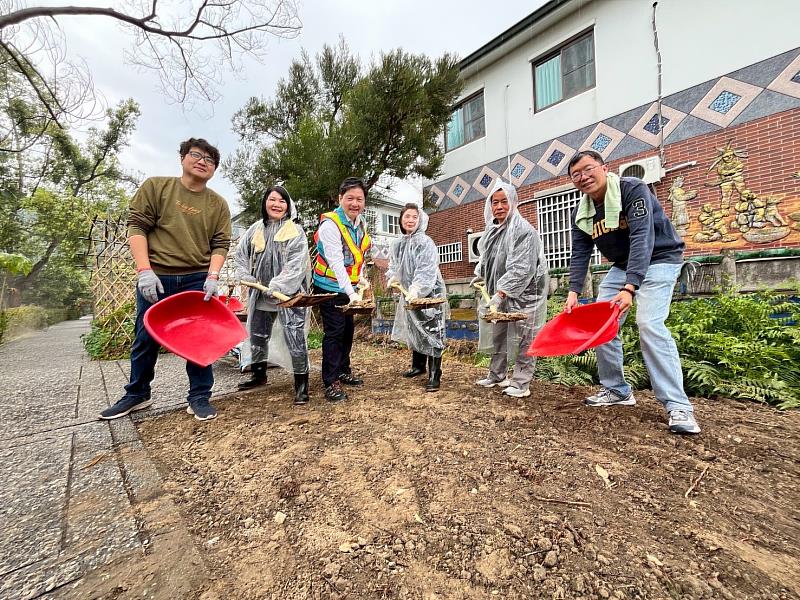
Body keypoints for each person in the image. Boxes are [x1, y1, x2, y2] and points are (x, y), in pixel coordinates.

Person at [564, 150, 700, 434]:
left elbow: (642, 236)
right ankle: (617, 390)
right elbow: (580, 253)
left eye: (588, 169)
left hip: (660, 258)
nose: (583, 177)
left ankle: (678, 406)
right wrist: (574, 290)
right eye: (576, 174)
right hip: (624, 265)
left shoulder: (631, 189)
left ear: (604, 167)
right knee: (602, 324)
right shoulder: (583, 212)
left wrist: (630, 287)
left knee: (649, 324)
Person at [100, 138, 231, 421]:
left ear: (214, 169)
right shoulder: (157, 187)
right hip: (156, 276)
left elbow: (221, 243)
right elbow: (137, 226)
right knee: (146, 336)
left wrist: (213, 275)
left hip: (196, 278)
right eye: (196, 155)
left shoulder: (218, 204)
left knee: (198, 339)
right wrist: (143, 270)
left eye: (210, 160)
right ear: (183, 158)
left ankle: (199, 396)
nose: (202, 161)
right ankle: (137, 394)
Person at [234, 185, 311, 405]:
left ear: (288, 206)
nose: (276, 205)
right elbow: (240, 255)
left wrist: (278, 285)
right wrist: (245, 274)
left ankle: (301, 385)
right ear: (265, 203)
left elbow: (296, 266)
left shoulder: (295, 232)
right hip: (261, 294)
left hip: (288, 295)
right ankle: (259, 375)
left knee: (295, 338)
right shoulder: (255, 229)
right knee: (258, 335)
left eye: (282, 201)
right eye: (272, 200)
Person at [472, 180, 549, 398]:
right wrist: (479, 274)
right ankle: (497, 375)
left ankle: (521, 383)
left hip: (527, 292)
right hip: (501, 290)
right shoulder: (492, 230)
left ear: (513, 202)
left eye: (503, 201)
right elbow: (486, 258)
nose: (498, 207)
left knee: (526, 335)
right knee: (499, 332)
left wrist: (500, 293)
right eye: (494, 202)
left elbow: (521, 269)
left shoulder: (523, 230)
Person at [312, 177, 372, 402]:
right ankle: (331, 381)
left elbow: (358, 255)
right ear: (340, 199)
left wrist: (362, 279)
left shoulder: (360, 223)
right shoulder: (330, 224)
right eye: (350, 198)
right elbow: (336, 262)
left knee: (347, 331)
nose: (355, 203)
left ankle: (344, 370)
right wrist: (351, 293)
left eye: (359, 199)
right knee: (335, 332)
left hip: (349, 287)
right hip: (328, 287)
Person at [386, 203, 448, 392]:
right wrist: (393, 277)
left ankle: (435, 373)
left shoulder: (425, 242)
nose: (410, 220)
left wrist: (416, 289)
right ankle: (418, 366)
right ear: (401, 219)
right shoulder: (397, 244)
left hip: (430, 292)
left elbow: (426, 270)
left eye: (414, 217)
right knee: (414, 327)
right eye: (407, 216)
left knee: (433, 331)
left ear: (420, 220)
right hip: (409, 293)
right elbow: (394, 265)